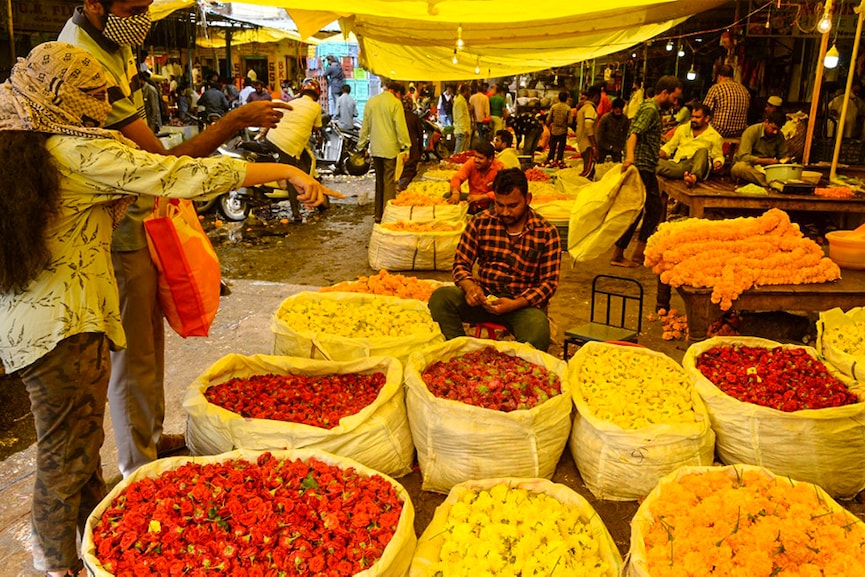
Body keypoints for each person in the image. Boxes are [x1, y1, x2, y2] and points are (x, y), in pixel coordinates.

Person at [0, 42, 339, 577]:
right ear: (61, 98)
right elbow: (177, 175)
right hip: (64, 330)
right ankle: (55, 561)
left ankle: (88, 544)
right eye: (94, 96)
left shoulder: (23, 149)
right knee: (64, 455)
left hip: (37, 327)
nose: (103, 106)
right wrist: (280, 172)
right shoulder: (73, 154)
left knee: (78, 443)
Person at [60, 0, 293, 480]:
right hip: (118, 229)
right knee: (128, 355)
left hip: (138, 220)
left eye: (147, 5)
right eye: (133, 6)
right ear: (93, 3)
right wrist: (233, 122)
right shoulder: (80, 60)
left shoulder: (112, 43)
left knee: (146, 346)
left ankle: (144, 436)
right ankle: (137, 467)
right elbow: (166, 167)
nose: (142, 16)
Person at [429, 168, 562, 352]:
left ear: (528, 199)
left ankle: (514, 370)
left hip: (520, 305)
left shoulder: (546, 233)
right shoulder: (481, 222)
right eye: (500, 205)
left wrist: (515, 303)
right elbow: (461, 263)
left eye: (513, 206)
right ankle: (460, 352)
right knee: (440, 299)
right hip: (484, 298)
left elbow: (548, 284)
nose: (505, 212)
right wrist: (471, 288)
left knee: (538, 331)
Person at [610, 75, 682, 268]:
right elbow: (634, 135)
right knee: (646, 209)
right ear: (664, 93)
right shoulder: (650, 110)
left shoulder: (648, 107)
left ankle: (635, 253)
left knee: (647, 209)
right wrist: (630, 158)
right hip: (641, 166)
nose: (675, 103)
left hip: (646, 164)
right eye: (674, 98)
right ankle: (628, 254)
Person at [264, 78, 324, 222]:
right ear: (316, 95)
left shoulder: (293, 101)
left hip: (272, 137)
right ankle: (295, 212)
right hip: (289, 144)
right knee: (292, 176)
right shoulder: (315, 107)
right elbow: (317, 127)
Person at [358, 81, 411, 223]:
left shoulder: (371, 102)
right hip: (390, 149)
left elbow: (365, 127)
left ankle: (378, 214)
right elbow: (400, 127)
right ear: (397, 92)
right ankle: (387, 215)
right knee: (389, 181)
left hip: (375, 149)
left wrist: (361, 146)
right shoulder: (395, 103)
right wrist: (406, 146)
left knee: (379, 181)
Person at [657, 104, 724, 187]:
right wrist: (659, 153)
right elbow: (669, 147)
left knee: (703, 151)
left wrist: (718, 162)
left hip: (697, 166)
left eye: (697, 117)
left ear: (706, 118)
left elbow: (718, 156)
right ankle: (686, 176)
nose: (693, 119)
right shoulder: (682, 129)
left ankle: (693, 177)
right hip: (679, 164)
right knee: (653, 162)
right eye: (692, 116)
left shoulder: (715, 136)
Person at [730, 110, 789, 186]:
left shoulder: (779, 136)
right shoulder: (751, 131)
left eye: (778, 129)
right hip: (750, 167)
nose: (775, 132)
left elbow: (783, 155)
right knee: (740, 167)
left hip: (767, 169)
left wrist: (785, 160)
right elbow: (743, 157)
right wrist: (765, 161)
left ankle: (769, 181)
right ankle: (769, 182)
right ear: (766, 122)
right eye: (773, 129)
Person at [446, 142, 505, 213]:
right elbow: (457, 178)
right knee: (447, 196)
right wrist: (456, 192)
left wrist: (482, 197)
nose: (476, 160)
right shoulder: (471, 163)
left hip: (490, 203)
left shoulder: (499, 168)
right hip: (472, 201)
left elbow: (502, 193)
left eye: (480, 158)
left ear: (490, 159)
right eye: (475, 156)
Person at [703, 64, 750, 138]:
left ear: (719, 76)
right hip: (740, 131)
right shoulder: (744, 89)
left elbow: (705, 110)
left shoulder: (717, 88)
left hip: (720, 130)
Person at [398, 94, 424, 192]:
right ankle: (402, 185)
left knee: (401, 167)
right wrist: (421, 149)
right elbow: (420, 135)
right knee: (410, 168)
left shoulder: (397, 116)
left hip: (399, 146)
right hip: (412, 146)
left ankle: (400, 184)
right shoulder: (414, 117)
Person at [575, 85, 601, 177]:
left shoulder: (583, 107)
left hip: (583, 142)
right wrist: (594, 145)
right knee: (587, 173)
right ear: (596, 97)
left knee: (588, 169)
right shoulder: (589, 108)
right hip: (588, 144)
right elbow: (588, 127)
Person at [596, 97, 629, 162]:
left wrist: (621, 146)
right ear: (613, 109)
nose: (618, 110)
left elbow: (626, 134)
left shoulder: (625, 119)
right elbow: (599, 134)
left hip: (617, 147)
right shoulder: (605, 118)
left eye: (620, 109)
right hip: (603, 145)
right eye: (616, 108)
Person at [546, 91, 571, 167]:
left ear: (558, 98)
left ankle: (551, 159)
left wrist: (549, 124)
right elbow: (570, 121)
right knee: (561, 146)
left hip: (554, 129)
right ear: (566, 98)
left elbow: (548, 119)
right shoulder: (568, 108)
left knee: (552, 146)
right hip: (563, 130)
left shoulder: (554, 107)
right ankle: (559, 160)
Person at [453, 83, 471, 153]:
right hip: (461, 131)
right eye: (469, 91)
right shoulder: (460, 101)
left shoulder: (462, 100)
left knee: (462, 152)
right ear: (465, 91)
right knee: (458, 152)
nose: (469, 94)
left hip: (462, 130)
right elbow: (460, 117)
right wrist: (465, 130)